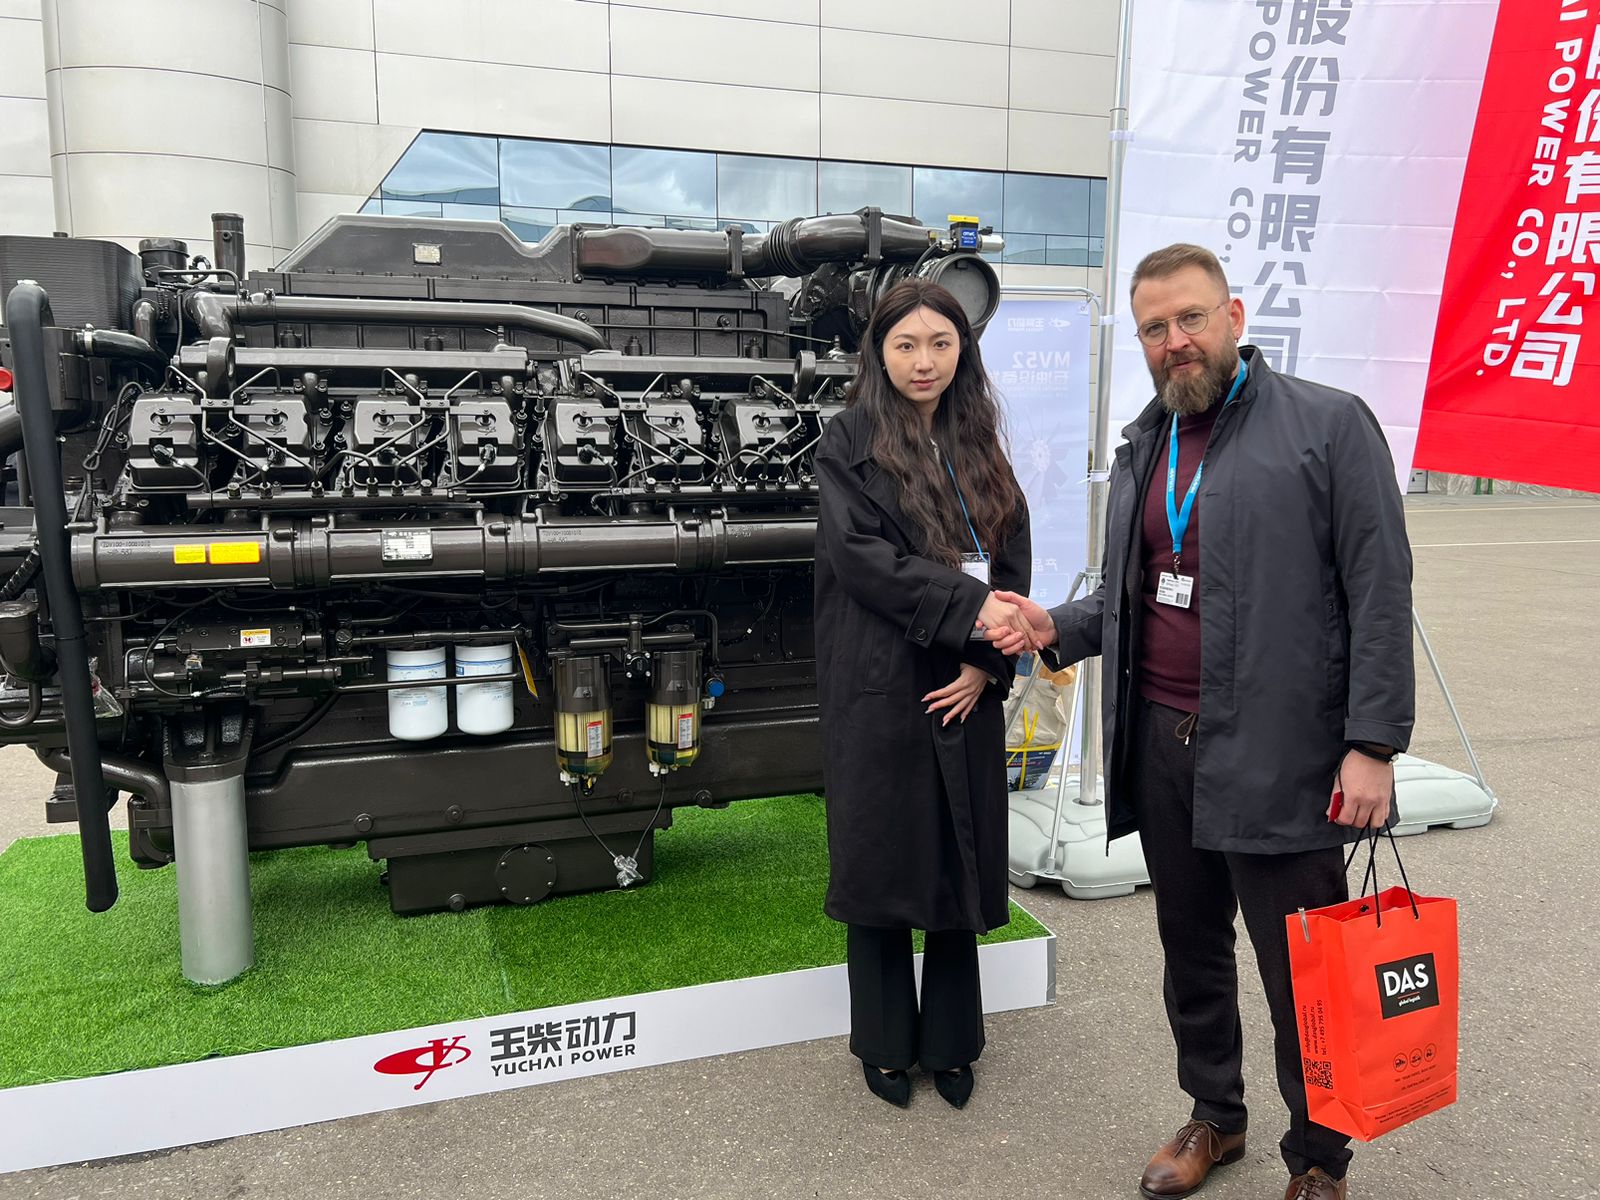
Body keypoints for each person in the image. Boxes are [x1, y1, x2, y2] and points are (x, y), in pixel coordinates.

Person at [988, 244, 1413, 1200]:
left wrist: (1373, 744)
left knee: (1302, 972)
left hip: (1282, 752)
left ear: (1233, 316)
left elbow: (1381, 592)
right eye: (1154, 328)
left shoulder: (1328, 425)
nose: (1174, 341)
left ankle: (1320, 1159)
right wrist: (1058, 625)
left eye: (1190, 318)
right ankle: (1216, 1116)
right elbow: (1134, 595)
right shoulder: (1146, 444)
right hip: (1163, 743)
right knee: (1191, 953)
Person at [813, 278, 1032, 1110]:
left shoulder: (978, 441)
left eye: (941, 342)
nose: (923, 360)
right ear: (879, 352)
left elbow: (1010, 561)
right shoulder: (849, 441)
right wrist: (974, 611)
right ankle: (882, 1043)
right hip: (878, 683)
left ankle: (950, 1042)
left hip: (960, 684)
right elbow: (862, 559)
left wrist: (988, 663)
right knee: (879, 862)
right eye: (905, 344)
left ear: (962, 351)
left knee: (954, 857)